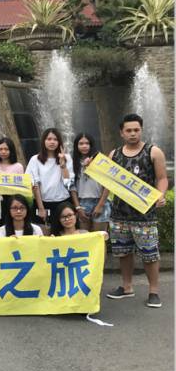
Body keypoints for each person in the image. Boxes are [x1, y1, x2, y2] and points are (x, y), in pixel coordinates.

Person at [106, 114, 168, 308]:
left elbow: (162, 178)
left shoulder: (153, 152)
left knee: (150, 254)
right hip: (119, 214)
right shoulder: (114, 154)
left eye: (136, 130)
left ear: (141, 130)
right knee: (123, 253)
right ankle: (127, 287)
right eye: (129, 130)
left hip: (145, 216)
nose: (133, 133)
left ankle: (153, 291)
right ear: (122, 133)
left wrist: (160, 195)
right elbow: (106, 180)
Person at [25, 128, 73, 232]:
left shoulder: (67, 158)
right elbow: (34, 184)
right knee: (44, 232)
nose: (52, 142)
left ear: (59, 142)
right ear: (43, 141)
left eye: (55, 139)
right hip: (42, 203)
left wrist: (63, 165)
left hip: (63, 202)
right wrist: (41, 208)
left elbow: (69, 183)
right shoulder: (35, 159)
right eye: (49, 139)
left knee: (64, 233)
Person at [70, 133, 110, 233]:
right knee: (85, 237)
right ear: (76, 145)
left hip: (101, 201)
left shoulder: (101, 161)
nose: (84, 146)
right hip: (82, 203)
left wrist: (100, 205)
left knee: (100, 237)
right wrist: (78, 207)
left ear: (91, 145)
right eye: (81, 143)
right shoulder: (72, 163)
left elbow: (107, 185)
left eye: (87, 143)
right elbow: (72, 187)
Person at [0, 137, 24, 230]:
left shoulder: (18, 166)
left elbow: (21, 187)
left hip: (13, 200)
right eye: (0, 149)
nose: (3, 152)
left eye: (6, 149)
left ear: (11, 150)